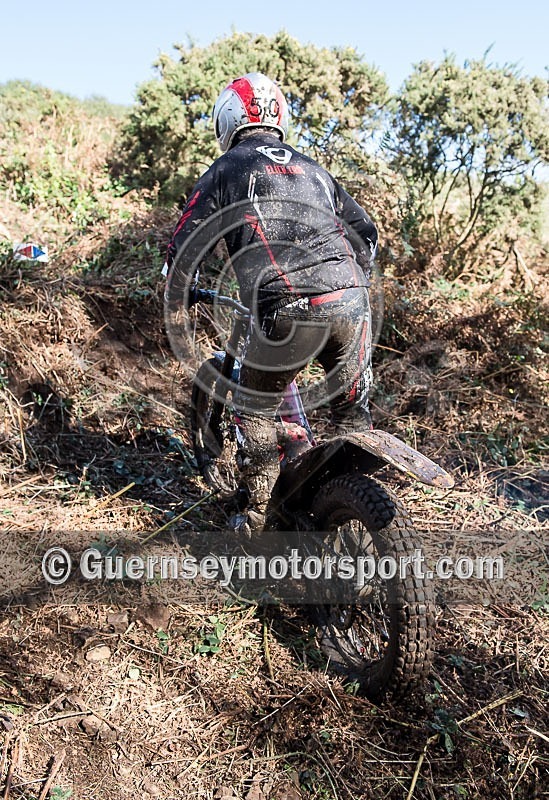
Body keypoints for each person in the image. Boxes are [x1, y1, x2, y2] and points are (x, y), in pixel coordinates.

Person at [164, 72, 378, 534]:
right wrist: (349, 282)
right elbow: (367, 234)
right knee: (352, 422)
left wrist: (178, 293)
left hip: (287, 308)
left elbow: (185, 246)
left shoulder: (229, 167)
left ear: (227, 120)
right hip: (353, 303)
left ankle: (260, 517)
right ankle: (347, 510)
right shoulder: (316, 170)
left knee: (254, 407)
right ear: (279, 116)